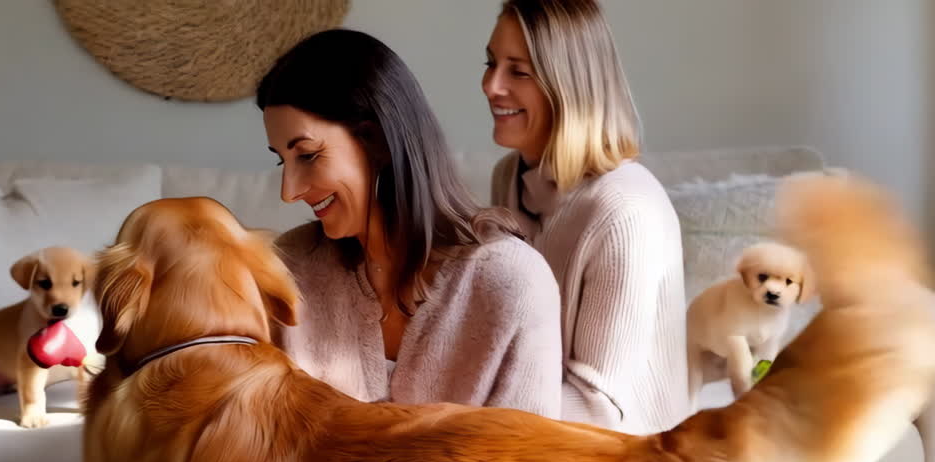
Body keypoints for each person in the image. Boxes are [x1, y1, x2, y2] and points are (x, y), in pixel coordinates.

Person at [257, 29, 562, 416]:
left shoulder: (509, 282)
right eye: (282, 160)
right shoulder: (288, 271)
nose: (289, 191)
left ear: (378, 142)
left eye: (308, 155)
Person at [483, 0, 690, 435]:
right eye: (490, 63)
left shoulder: (625, 212)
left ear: (569, 84)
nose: (491, 85)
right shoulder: (509, 178)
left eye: (517, 71)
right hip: (530, 453)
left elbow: (599, 413)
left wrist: (461, 406)